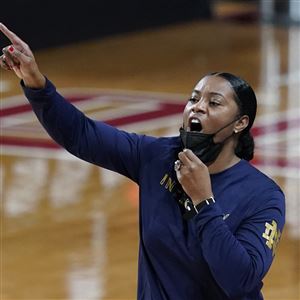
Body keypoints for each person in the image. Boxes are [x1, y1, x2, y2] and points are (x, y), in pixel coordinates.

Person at [0, 23, 285, 300]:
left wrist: (204, 203)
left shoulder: (263, 196)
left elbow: (240, 281)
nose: (198, 106)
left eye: (214, 102)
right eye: (194, 98)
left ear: (240, 123)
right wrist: (35, 82)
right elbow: (81, 134)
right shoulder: (156, 157)